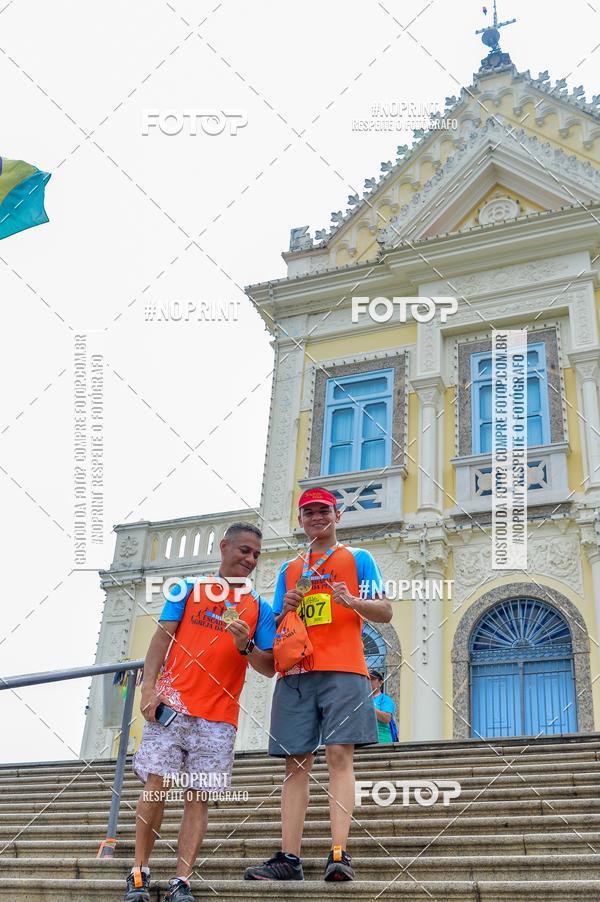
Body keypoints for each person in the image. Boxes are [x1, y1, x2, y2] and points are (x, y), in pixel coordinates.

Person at [244, 487, 392, 884]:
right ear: (300, 520)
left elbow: (385, 610)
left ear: (337, 516)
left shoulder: (358, 559)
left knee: (339, 756)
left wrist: (353, 602)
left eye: (323, 510)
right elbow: (275, 626)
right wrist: (285, 610)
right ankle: (289, 858)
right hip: (296, 673)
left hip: (344, 669)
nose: (316, 518)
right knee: (295, 764)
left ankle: (338, 853)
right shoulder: (288, 569)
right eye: (308, 512)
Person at [124, 522, 276, 902]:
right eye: (244, 550)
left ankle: (182, 880)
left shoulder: (260, 607)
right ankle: (139, 871)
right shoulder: (187, 588)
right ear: (224, 547)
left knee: (198, 797)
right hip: (172, 705)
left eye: (256, 554)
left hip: (219, 717)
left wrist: (246, 646)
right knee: (156, 786)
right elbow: (161, 638)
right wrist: (148, 687)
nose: (251, 559)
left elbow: (269, 666)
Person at [369, 670, 396, 743]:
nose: (369, 681)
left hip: (382, 741)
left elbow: (387, 718)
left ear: (380, 683)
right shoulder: (363, 699)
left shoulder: (385, 699)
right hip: (365, 741)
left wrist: (371, 707)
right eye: (368, 679)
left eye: (372, 679)